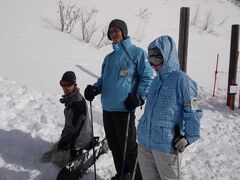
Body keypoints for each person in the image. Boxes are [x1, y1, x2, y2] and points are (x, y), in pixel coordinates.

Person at [84, 19, 153, 180]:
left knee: (128, 148)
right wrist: (95, 88)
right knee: (115, 147)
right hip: (108, 109)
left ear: (124, 32)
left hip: (124, 110)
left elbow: (148, 77)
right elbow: (104, 79)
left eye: (117, 30)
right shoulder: (109, 58)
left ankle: (137, 177)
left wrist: (139, 97)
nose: (113, 33)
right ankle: (122, 175)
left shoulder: (137, 53)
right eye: (111, 31)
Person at [136, 35, 203, 180]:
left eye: (157, 59)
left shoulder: (182, 81)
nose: (154, 65)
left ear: (167, 56)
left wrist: (189, 138)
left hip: (166, 145)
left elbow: (193, 111)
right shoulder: (156, 81)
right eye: (151, 60)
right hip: (145, 142)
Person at [41, 71, 92, 167]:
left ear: (74, 84)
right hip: (79, 137)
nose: (66, 87)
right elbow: (71, 126)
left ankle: (75, 153)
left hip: (79, 140)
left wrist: (66, 143)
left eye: (69, 84)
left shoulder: (76, 102)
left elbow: (76, 129)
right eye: (63, 84)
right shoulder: (73, 99)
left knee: (55, 159)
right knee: (54, 150)